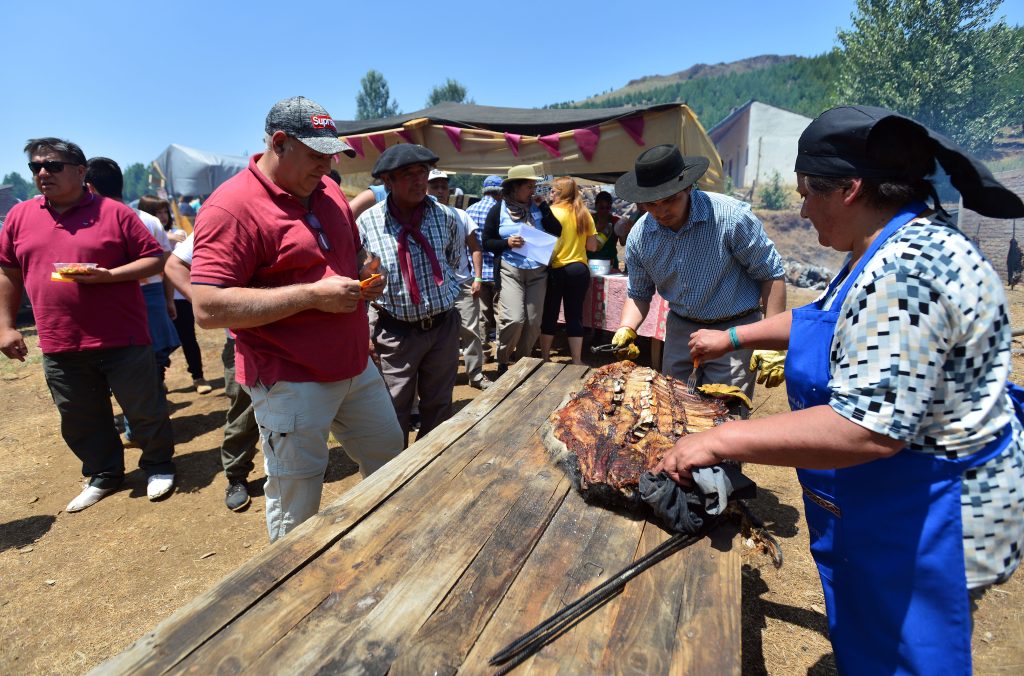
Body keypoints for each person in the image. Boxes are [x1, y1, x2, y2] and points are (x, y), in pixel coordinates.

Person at [659, 106, 1024, 674]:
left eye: (808, 193)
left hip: (923, 516)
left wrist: (719, 440)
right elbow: (826, 319)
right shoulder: (881, 244)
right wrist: (734, 335)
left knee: (904, 656)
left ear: (851, 188)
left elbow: (866, 429)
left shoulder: (907, 270)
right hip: (878, 506)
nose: (801, 209)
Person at [190, 96, 404, 541]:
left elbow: (350, 250)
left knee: (390, 460)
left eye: (331, 156)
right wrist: (310, 296)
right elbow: (208, 307)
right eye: (315, 155)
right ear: (280, 143)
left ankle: (385, 549)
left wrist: (363, 270)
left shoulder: (326, 191)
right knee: (297, 497)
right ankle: (292, 593)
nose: (325, 167)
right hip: (288, 376)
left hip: (353, 365)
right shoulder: (231, 208)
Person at [0, 138, 176, 511]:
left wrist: (109, 276)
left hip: (122, 335)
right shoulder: (19, 217)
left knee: (143, 407)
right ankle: (104, 473)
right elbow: (9, 273)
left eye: (53, 165)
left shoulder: (114, 213)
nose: (43, 173)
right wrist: (5, 325)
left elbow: (153, 261)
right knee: (79, 414)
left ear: (80, 172)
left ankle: (158, 464)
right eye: (36, 167)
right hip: (59, 338)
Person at [612, 144, 786, 407]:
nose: (661, 212)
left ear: (687, 187)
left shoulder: (731, 218)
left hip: (735, 330)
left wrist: (771, 340)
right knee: (674, 409)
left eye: (669, 200)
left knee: (724, 417)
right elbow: (638, 294)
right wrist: (626, 327)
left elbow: (771, 274)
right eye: (651, 204)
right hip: (681, 332)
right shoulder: (639, 237)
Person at [357, 144, 462, 442]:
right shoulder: (368, 223)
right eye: (408, 174)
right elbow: (361, 281)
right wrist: (364, 333)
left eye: (423, 173)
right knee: (393, 408)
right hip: (395, 333)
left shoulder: (445, 217)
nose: (419, 181)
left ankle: (428, 473)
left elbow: (452, 260)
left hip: (443, 327)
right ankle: (394, 478)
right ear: (387, 182)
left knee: (439, 407)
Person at [164, 233, 260, 511]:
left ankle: (299, 467)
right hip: (243, 341)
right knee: (244, 411)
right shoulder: (226, 214)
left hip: (296, 337)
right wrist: (206, 301)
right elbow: (174, 264)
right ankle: (237, 475)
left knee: (298, 405)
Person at [85, 159, 182, 399]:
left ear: (90, 187)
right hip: (153, 296)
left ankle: (142, 417)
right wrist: (168, 299)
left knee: (122, 359)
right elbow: (167, 264)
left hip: (117, 298)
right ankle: (152, 408)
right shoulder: (150, 221)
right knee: (153, 357)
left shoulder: (92, 222)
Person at [482, 166, 562, 376]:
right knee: (514, 319)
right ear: (515, 187)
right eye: (529, 185)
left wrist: (544, 207)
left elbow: (557, 230)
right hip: (511, 270)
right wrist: (507, 243)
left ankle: (522, 362)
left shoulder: (538, 207)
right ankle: (503, 359)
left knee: (534, 321)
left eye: (534, 185)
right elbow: (487, 243)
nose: (533, 189)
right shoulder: (498, 209)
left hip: (538, 271)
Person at [139, 195, 210, 393]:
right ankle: (159, 381)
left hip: (178, 296)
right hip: (154, 295)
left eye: (164, 211)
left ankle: (198, 377)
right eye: (157, 212)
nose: (162, 216)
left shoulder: (178, 233)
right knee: (157, 341)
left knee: (188, 337)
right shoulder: (144, 230)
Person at [426, 168, 489, 389]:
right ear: (426, 188)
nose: (441, 191)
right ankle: (442, 380)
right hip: (434, 287)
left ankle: (476, 375)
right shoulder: (421, 218)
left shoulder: (461, 215)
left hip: (462, 283)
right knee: (440, 337)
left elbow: (475, 248)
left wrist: (478, 278)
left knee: (470, 330)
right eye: (435, 186)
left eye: (444, 186)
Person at [539, 177, 598, 364]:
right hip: (579, 269)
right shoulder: (583, 213)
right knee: (575, 315)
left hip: (556, 268)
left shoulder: (550, 212)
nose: (550, 194)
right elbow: (593, 246)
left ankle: (546, 357)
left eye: (553, 191)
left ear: (561, 192)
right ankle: (577, 360)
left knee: (550, 313)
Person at [466, 175, 503, 346]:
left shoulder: (469, 211)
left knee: (481, 315)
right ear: (500, 192)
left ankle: (482, 350)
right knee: (500, 314)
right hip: (499, 270)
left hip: (477, 272)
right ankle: (501, 351)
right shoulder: (501, 211)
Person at [587, 190, 621, 270]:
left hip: (610, 262)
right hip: (591, 262)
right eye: (601, 207)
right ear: (596, 206)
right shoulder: (589, 220)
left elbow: (622, 242)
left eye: (608, 208)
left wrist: (624, 230)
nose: (605, 211)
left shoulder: (615, 221)